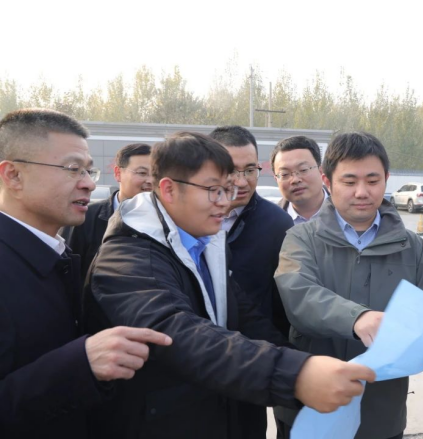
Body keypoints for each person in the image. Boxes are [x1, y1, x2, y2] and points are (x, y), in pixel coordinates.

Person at [82, 131, 376, 439]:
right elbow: (180, 334)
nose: (225, 203)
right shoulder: (127, 258)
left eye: (227, 189)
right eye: (213, 190)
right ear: (169, 189)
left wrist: (305, 364)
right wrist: (295, 375)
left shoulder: (205, 243)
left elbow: (246, 318)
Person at [0, 108, 171, 439]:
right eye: (72, 169)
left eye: (88, 170)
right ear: (14, 175)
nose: (89, 183)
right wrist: (80, 363)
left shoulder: (58, 254)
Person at [275, 131, 423, 439]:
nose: (362, 192)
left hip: (381, 409)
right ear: (327, 181)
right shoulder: (301, 238)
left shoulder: (409, 245)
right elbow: (298, 294)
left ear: (386, 179)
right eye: (349, 182)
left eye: (373, 180)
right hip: (313, 403)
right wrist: (357, 318)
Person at [209, 125, 294, 438]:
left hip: (250, 365)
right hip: (194, 361)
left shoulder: (276, 224)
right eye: (232, 170)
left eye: (250, 169)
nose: (243, 181)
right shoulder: (187, 219)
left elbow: (282, 306)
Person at [62, 142, 153, 280]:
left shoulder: (168, 221)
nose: (150, 180)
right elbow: (68, 271)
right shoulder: (85, 218)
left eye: (156, 174)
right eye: (142, 173)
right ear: (118, 173)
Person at [270, 135, 328, 224]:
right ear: (276, 179)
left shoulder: (346, 211)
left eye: (303, 170)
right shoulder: (269, 222)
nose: (295, 180)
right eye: (284, 174)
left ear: (321, 171)